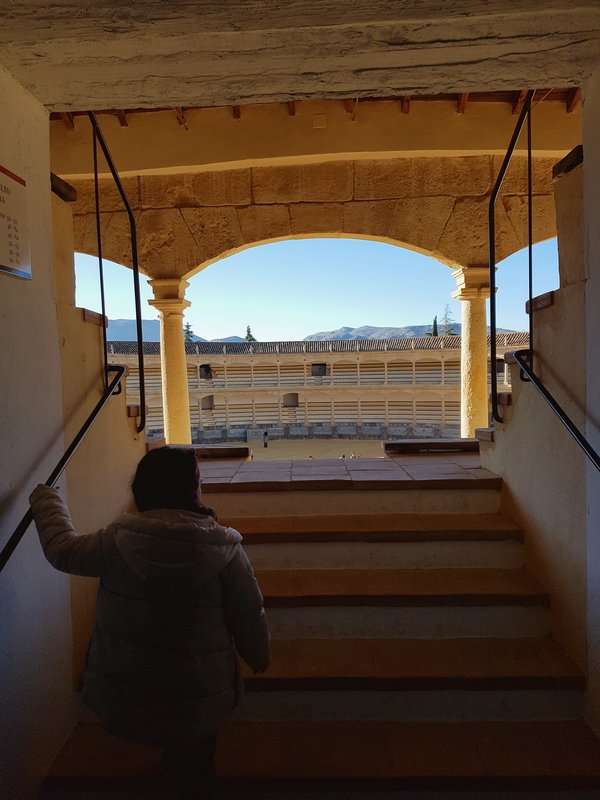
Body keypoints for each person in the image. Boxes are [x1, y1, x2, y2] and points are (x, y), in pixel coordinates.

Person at [29, 446, 270, 800]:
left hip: (133, 688)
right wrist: (258, 657)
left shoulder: (115, 541)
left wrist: (46, 498)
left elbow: (62, 549)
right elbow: (247, 614)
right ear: (192, 490)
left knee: (164, 733)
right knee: (198, 758)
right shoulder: (223, 549)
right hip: (200, 691)